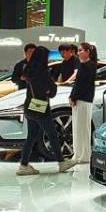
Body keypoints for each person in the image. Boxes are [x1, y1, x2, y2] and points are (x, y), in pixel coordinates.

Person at [16, 46, 69, 175]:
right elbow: (52, 91)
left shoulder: (28, 70)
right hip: (41, 108)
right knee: (52, 135)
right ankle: (61, 162)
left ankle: (23, 165)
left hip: (29, 106)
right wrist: (51, 88)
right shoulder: (43, 72)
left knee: (31, 137)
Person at [65, 42, 97, 170]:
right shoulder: (84, 65)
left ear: (88, 52)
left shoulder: (89, 65)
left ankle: (83, 155)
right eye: (78, 51)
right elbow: (77, 83)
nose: (78, 53)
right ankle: (79, 154)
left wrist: (73, 97)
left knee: (83, 128)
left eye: (81, 50)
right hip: (80, 100)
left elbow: (83, 84)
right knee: (78, 128)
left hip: (83, 100)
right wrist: (72, 96)